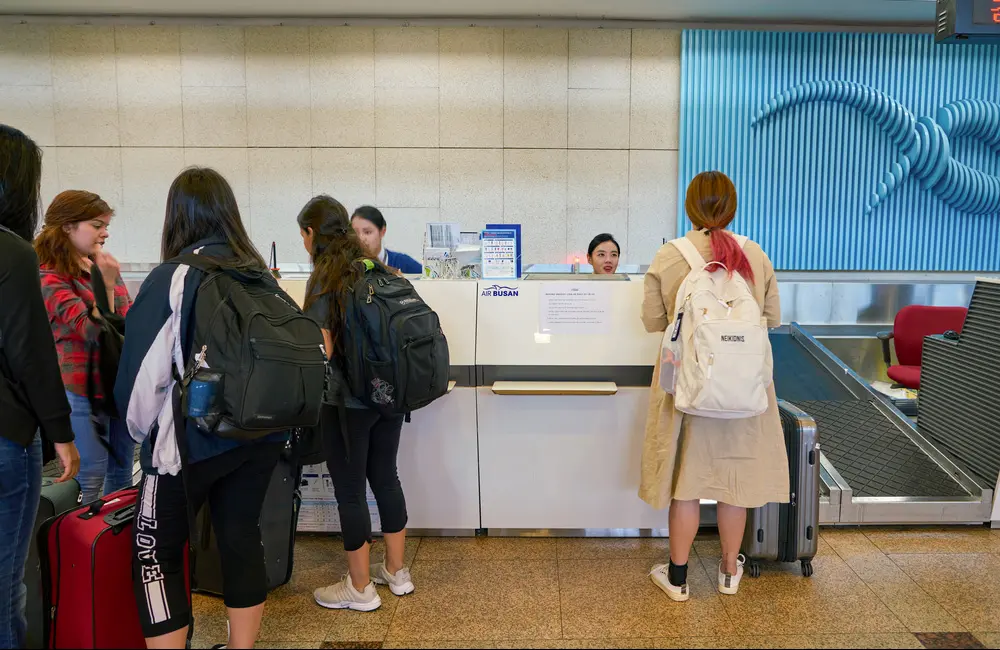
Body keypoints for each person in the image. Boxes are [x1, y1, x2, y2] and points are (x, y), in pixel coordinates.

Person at [116, 167, 287, 649]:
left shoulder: (173, 277)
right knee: (240, 538)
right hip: (260, 435)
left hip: (186, 444)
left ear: (176, 218)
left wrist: (137, 435)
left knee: (157, 552)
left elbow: (140, 384)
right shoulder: (259, 276)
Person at [639, 170, 788, 600]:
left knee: (686, 483)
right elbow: (772, 319)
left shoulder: (670, 256)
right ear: (732, 206)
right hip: (743, 391)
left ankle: (679, 579)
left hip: (686, 388)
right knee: (733, 482)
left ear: (690, 207)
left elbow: (652, 321)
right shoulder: (754, 254)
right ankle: (728, 573)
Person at [299, 195, 413, 613]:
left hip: (346, 401)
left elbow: (322, 351)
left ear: (312, 233)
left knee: (350, 490)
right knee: (386, 477)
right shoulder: (378, 269)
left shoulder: (324, 279)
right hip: (390, 395)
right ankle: (397, 572)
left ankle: (360, 587)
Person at [0, 124, 80, 649]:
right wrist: (61, 433)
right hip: (6, 434)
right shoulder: (12, 252)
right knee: (7, 588)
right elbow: (30, 354)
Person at [35, 190, 134, 505]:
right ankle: (83, 547)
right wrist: (104, 284)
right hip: (81, 388)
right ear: (67, 227)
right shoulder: (48, 276)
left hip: (118, 381)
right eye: (96, 225)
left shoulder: (102, 265)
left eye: (106, 225)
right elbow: (90, 329)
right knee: (90, 475)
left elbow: (127, 322)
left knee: (122, 472)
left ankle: (114, 544)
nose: (105, 232)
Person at [351, 205, 422, 274]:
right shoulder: (347, 265)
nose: (361, 238)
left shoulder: (402, 262)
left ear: (382, 232)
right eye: (355, 232)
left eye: (367, 232)